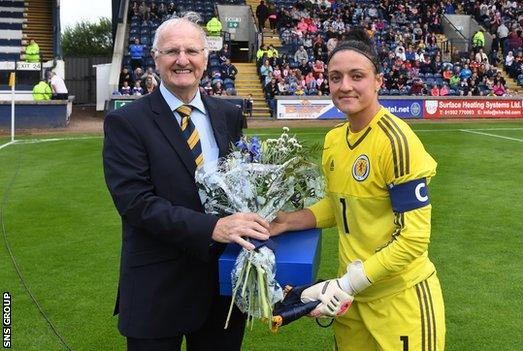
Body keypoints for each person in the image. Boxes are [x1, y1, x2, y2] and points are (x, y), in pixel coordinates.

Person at [102, 12, 270, 351]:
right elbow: (136, 203)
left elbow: (241, 188)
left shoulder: (229, 115)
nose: (183, 60)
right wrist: (213, 227)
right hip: (156, 288)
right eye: (172, 52)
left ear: (205, 59)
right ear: (156, 58)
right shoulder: (126, 122)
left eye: (192, 51)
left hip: (220, 290)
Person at [270, 28, 445, 351]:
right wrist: (288, 221)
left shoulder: (396, 142)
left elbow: (414, 239)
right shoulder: (334, 139)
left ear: (378, 80)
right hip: (349, 301)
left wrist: (347, 283)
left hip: (399, 300)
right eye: (336, 77)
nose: (345, 86)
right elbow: (340, 204)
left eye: (357, 76)